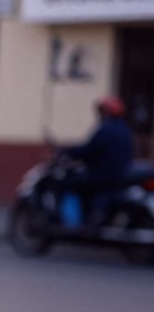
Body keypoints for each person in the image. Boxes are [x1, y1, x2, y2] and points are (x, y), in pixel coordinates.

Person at [60, 95, 134, 223]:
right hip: (118, 175)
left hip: (102, 176)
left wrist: (68, 152)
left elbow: (90, 150)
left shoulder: (105, 129)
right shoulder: (125, 129)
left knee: (68, 183)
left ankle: (72, 222)